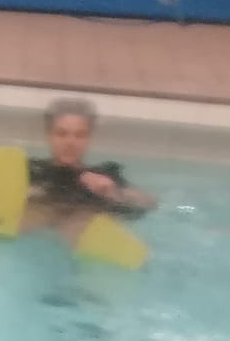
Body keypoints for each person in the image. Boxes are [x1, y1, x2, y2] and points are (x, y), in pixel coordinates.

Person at [23, 98, 156, 243]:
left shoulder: (104, 175)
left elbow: (147, 204)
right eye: (61, 134)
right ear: (49, 135)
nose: (70, 142)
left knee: (80, 219)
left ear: (89, 138)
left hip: (79, 234)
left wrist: (112, 192)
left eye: (80, 135)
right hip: (33, 234)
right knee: (36, 213)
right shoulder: (31, 170)